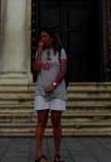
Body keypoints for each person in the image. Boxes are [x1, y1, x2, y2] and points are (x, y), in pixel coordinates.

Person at [33, 29, 67, 162]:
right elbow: (36, 69)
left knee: (56, 122)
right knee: (41, 121)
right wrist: (40, 51)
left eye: (45, 36)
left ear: (52, 38)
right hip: (41, 91)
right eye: (41, 36)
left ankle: (57, 154)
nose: (42, 39)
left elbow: (63, 72)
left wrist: (53, 85)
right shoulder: (39, 52)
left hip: (57, 92)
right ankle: (39, 154)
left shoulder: (60, 52)